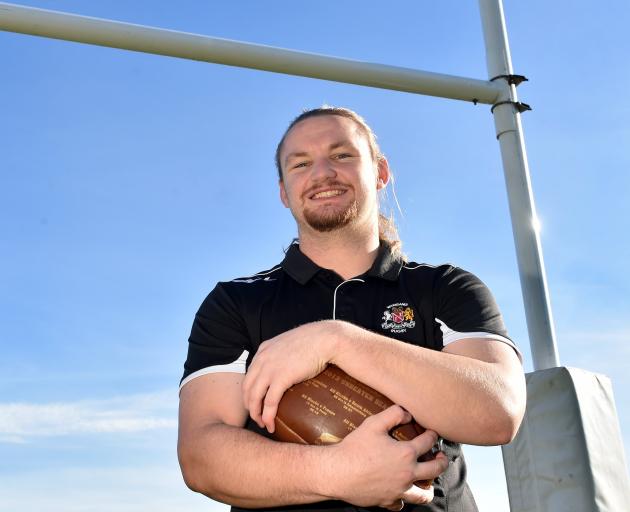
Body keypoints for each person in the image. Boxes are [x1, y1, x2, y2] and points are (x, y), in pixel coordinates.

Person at [177, 106, 526, 512]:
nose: (322, 173)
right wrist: (337, 472)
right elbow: (201, 457)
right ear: (284, 192)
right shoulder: (237, 302)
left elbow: (499, 411)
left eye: (342, 155)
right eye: (301, 163)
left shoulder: (445, 287)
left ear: (380, 172)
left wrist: (337, 340)